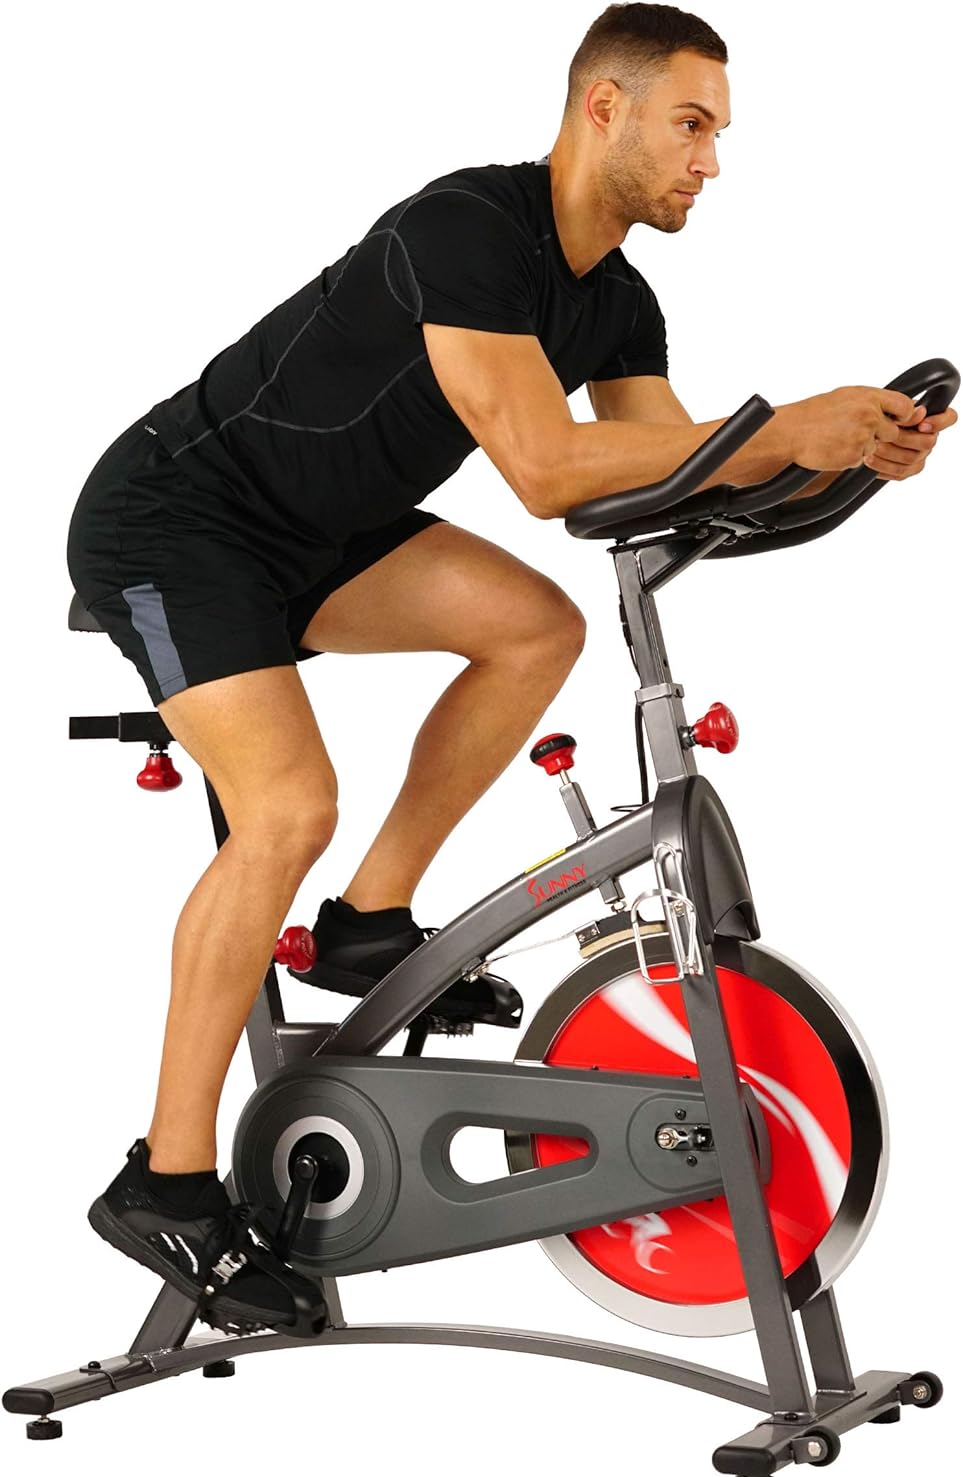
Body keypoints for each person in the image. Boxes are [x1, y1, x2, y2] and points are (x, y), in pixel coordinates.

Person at [68, 1, 956, 1339]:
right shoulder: (470, 228)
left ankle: (367, 924)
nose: (712, 160)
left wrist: (840, 457)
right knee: (286, 809)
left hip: (321, 536)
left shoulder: (618, 302)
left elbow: (674, 470)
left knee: (536, 627)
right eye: (692, 124)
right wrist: (784, 424)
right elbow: (546, 471)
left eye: (720, 133)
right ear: (603, 107)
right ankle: (167, 1182)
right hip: (177, 519)